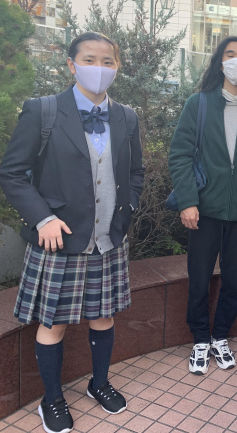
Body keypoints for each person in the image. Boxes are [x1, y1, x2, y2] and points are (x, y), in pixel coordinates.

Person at [0, 32, 144, 433]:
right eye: (90, 60)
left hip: (108, 239)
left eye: (108, 61)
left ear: (117, 67)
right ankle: (52, 399)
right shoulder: (43, 111)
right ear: (71, 64)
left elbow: (136, 171)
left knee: (103, 316)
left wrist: (128, 210)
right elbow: (12, 173)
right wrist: (41, 218)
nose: (99, 68)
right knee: (53, 323)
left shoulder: (127, 116)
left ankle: (99, 383)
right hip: (59, 240)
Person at [168, 36, 237, 376]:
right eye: (230, 54)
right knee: (199, 280)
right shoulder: (198, 103)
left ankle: (220, 337)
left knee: (232, 281)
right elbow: (179, 155)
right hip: (204, 211)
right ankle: (200, 338)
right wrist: (188, 201)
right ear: (219, 62)